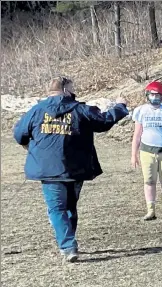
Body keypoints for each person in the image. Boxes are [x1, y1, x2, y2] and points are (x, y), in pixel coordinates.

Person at [13, 76, 129, 263]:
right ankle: (68, 243)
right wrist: (120, 107)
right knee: (68, 207)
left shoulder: (36, 111)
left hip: (48, 169)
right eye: (73, 88)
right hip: (76, 168)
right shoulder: (80, 109)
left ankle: (67, 245)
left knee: (57, 209)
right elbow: (103, 121)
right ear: (66, 89)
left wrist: (29, 145)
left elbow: (19, 134)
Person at [131, 81, 162, 221]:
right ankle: (151, 210)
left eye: (158, 95)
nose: (155, 98)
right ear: (147, 95)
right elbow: (137, 134)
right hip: (147, 150)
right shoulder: (141, 111)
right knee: (149, 180)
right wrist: (133, 154)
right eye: (152, 95)